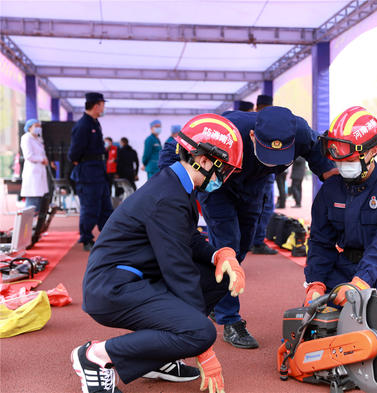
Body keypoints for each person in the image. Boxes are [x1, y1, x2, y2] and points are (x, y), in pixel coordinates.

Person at [71, 114, 245, 393]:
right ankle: (96, 356)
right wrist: (203, 347)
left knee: (218, 278)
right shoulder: (169, 197)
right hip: (112, 288)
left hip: (133, 279)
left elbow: (187, 238)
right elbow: (178, 271)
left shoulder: (177, 184)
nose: (225, 177)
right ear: (203, 160)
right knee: (201, 331)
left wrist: (219, 256)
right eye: (223, 168)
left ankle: (156, 359)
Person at [158, 106, 337, 350]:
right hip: (218, 187)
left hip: (254, 188)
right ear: (253, 136)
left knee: (241, 249)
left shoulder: (301, 132)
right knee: (227, 247)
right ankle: (230, 321)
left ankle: (211, 296)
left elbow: (328, 169)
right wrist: (168, 191)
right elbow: (174, 146)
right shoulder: (227, 129)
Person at [304, 107, 377, 317]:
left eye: (350, 161)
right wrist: (316, 283)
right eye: (339, 162)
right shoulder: (330, 190)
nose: (343, 167)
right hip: (345, 264)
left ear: (373, 151)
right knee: (319, 305)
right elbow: (320, 242)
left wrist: (361, 281)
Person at [68, 92, 113, 251]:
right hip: (88, 174)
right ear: (96, 105)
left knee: (106, 207)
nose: (103, 107)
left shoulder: (95, 123)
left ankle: (109, 237)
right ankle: (86, 238)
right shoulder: (83, 125)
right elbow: (73, 154)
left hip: (99, 172)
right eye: (102, 104)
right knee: (90, 207)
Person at [250, 94, 277, 255]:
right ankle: (258, 241)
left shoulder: (254, 120)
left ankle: (251, 240)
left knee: (253, 208)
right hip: (264, 171)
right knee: (264, 207)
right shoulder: (268, 121)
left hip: (255, 172)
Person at [20, 119, 50, 214]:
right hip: (32, 171)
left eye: (39, 126)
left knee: (39, 198)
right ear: (29, 127)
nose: (38, 128)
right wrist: (41, 159)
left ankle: (36, 223)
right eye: (36, 126)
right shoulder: (26, 138)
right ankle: (28, 222)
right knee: (33, 198)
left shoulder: (39, 139)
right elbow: (28, 155)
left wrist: (45, 159)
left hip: (40, 170)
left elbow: (42, 153)